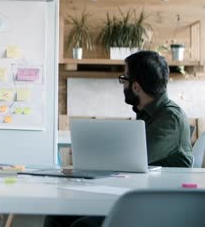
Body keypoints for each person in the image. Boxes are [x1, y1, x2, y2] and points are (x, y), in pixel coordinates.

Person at [45, 50, 193, 227]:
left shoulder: (170, 118)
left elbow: (131, 161)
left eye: (124, 79)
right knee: (58, 216)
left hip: (159, 205)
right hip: (140, 194)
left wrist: (87, 165)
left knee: (81, 225)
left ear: (136, 87)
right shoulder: (147, 113)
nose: (122, 84)